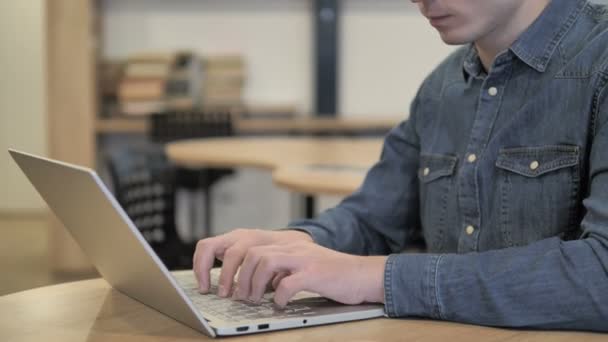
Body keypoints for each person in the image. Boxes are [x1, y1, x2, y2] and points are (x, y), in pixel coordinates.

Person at [193, 0, 608, 331]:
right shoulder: (440, 90)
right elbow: (373, 219)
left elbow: (601, 275)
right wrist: (296, 244)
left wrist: (375, 277)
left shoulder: (600, 65)